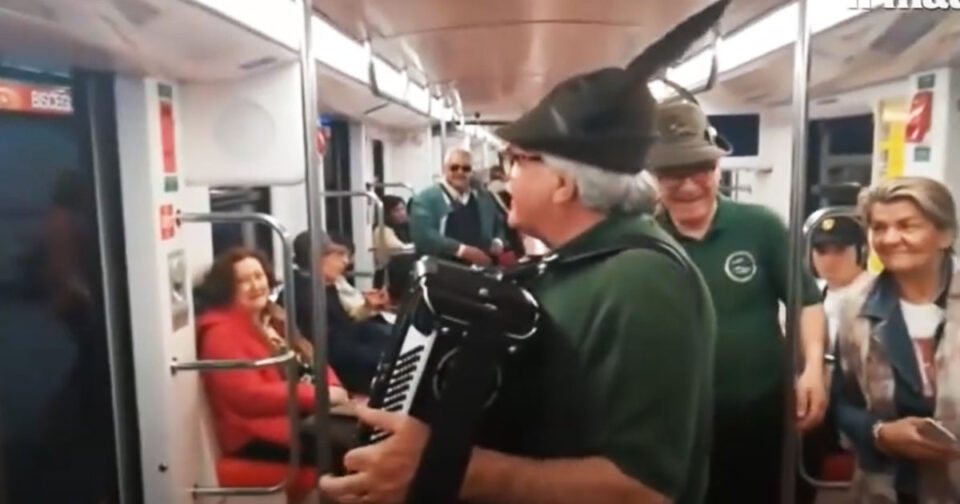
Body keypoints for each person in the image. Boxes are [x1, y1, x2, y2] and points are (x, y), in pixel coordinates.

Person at [320, 1, 728, 503]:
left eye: (517, 159)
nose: (506, 173)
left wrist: (446, 467)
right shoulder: (573, 267)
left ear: (561, 182)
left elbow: (643, 489)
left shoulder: (644, 284)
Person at [646, 99, 829, 503]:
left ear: (717, 168)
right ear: (653, 177)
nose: (689, 184)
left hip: (760, 410)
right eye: (672, 174)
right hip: (676, 420)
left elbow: (806, 302)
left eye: (700, 169)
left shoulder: (759, 227)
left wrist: (813, 368)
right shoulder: (642, 240)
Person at [833, 177, 960, 502]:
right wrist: (880, 433)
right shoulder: (856, 308)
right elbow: (842, 401)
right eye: (878, 227)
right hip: (888, 488)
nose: (890, 239)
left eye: (907, 225)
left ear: (945, 234)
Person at [194, 247, 350, 468]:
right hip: (256, 433)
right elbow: (247, 397)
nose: (256, 286)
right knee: (355, 451)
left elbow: (310, 358)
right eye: (243, 281)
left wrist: (332, 385)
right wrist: (321, 395)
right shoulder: (219, 333)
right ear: (227, 289)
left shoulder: (272, 317)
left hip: (300, 417)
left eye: (258, 276)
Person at [799, 215, 873, 502]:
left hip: (857, 403)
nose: (829, 259)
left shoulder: (876, 294)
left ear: (861, 251)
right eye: (821, 250)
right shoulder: (809, 294)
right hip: (815, 406)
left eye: (839, 250)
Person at [292, 232, 395, 395]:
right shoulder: (305, 295)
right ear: (317, 258)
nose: (345, 261)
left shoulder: (322, 285)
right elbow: (332, 346)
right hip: (332, 362)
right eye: (338, 255)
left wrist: (366, 308)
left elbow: (340, 324)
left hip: (343, 346)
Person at [409, 148, 507, 266]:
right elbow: (423, 235)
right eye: (454, 167)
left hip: (482, 270)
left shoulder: (484, 198)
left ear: (472, 172)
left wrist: (498, 241)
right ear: (444, 170)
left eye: (466, 168)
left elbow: (499, 223)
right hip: (442, 271)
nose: (460, 172)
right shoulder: (425, 199)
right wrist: (462, 251)